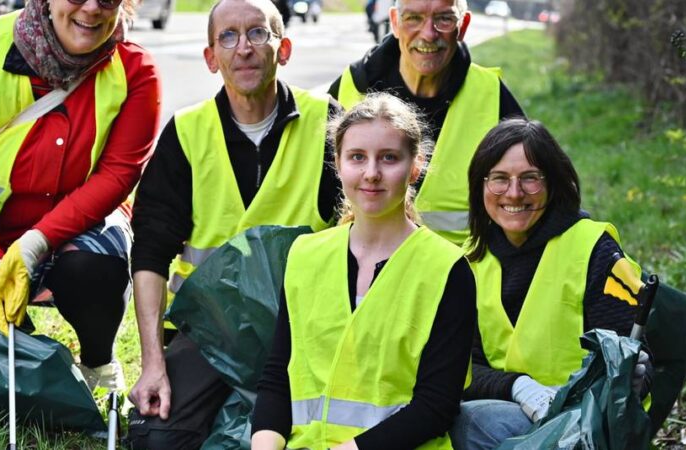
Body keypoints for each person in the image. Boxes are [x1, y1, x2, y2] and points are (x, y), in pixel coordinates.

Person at [126, 0, 341, 446]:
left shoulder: (327, 123)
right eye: (228, 36)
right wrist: (153, 364)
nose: (243, 48)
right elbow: (150, 251)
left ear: (283, 49)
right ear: (211, 58)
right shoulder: (187, 132)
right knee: (157, 439)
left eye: (258, 33)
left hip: (306, 330)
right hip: (211, 332)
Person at [0, 0, 160, 390]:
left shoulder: (136, 70)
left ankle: (98, 364)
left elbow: (118, 175)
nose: (92, 8)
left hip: (68, 233)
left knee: (97, 267)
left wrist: (35, 244)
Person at [251, 93, 476, 450]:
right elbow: (278, 378)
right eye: (357, 157)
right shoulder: (305, 255)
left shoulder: (447, 269)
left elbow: (436, 407)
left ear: (415, 167)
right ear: (338, 164)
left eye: (389, 158)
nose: (371, 173)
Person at [452, 118, 651, 449]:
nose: (514, 193)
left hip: (586, 422)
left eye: (530, 178)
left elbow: (633, 360)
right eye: (499, 179)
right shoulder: (471, 259)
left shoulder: (593, 249)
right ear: (480, 186)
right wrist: (519, 386)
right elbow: (461, 367)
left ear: (553, 184)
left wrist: (630, 375)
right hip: (516, 410)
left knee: (468, 423)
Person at [328, 0, 524, 244]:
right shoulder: (346, 91)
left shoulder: (491, 96)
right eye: (413, 18)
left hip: (462, 267)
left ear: (463, 26)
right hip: (359, 266)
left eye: (444, 19)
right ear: (395, 22)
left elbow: (530, 201)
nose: (429, 34)